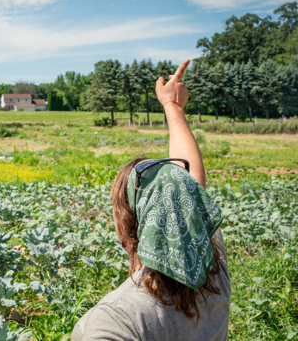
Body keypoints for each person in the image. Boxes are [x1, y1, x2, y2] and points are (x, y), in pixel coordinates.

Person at [72, 60, 230, 341]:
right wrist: (173, 107)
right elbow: (190, 187)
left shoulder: (117, 319)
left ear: (128, 224)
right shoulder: (212, 273)